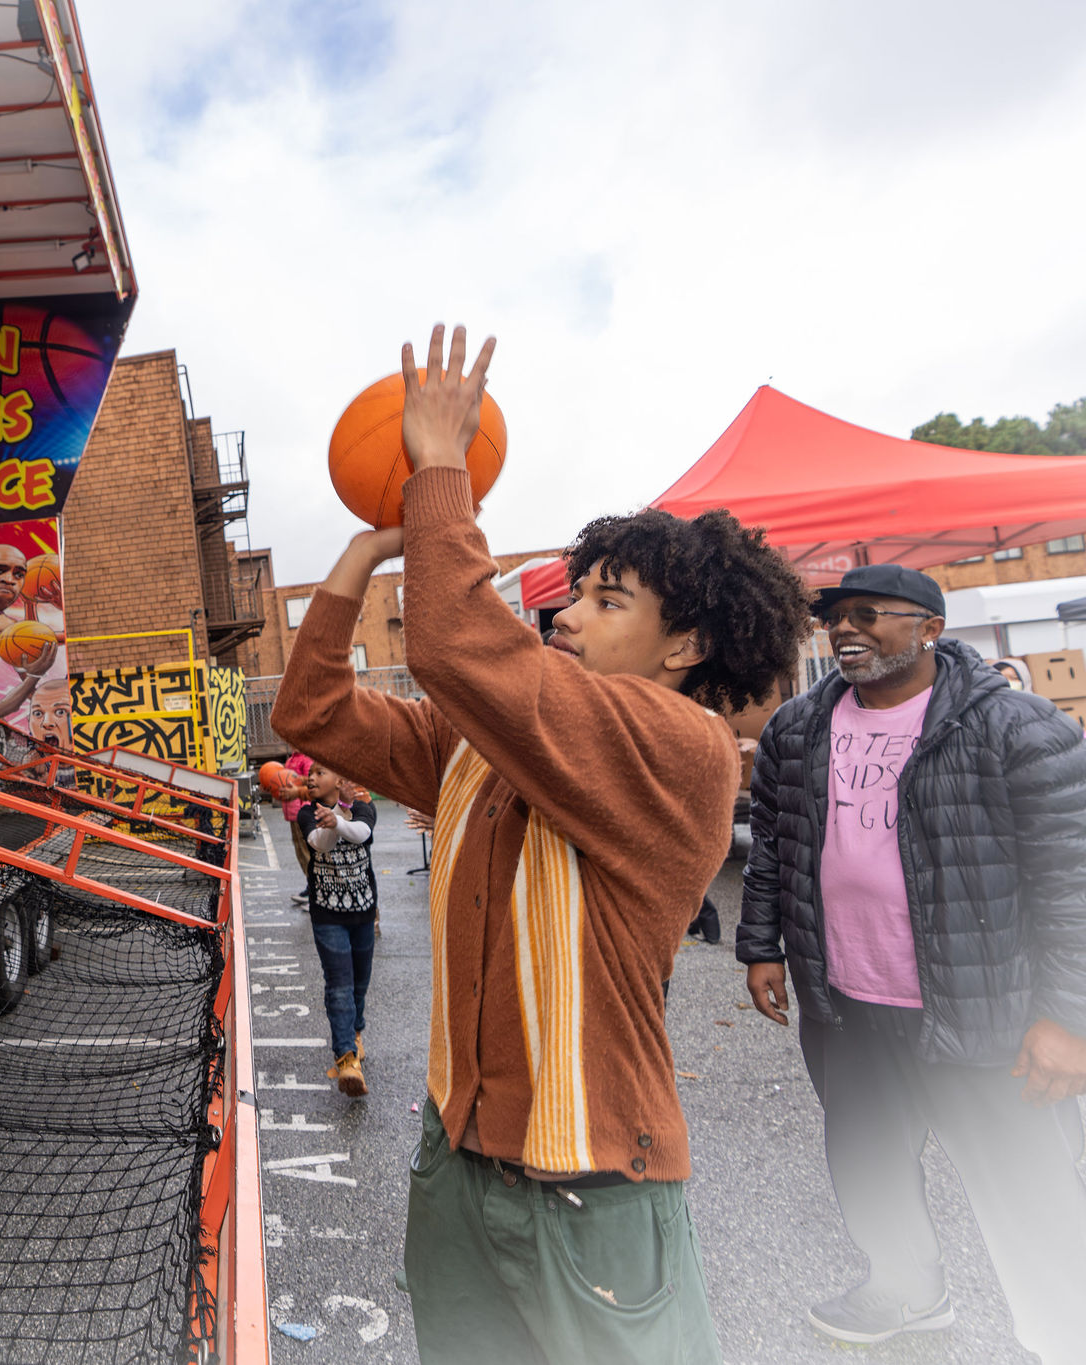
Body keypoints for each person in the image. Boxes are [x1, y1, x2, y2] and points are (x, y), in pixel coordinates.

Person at [272, 325, 812, 1365]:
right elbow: (313, 710)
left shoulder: (682, 747)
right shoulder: (486, 743)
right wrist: (362, 554)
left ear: (686, 646)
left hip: (589, 1185)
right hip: (457, 1163)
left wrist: (440, 467)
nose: (568, 614)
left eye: (609, 602)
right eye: (576, 591)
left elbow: (454, 642)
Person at [737, 563, 1086, 1355]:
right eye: (836, 617)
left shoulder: (1014, 726)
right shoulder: (798, 727)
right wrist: (760, 945)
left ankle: (1067, 1333)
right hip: (847, 1001)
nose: (845, 628)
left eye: (869, 614)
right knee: (868, 1160)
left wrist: (1069, 1017)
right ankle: (906, 1289)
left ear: (930, 627)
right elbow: (775, 849)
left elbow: (1073, 881)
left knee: (1026, 1183)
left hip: (981, 1005)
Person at [297, 761, 378, 1096]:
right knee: (340, 985)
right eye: (310, 774)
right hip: (328, 916)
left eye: (319, 773)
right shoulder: (307, 813)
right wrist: (332, 821)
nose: (311, 778)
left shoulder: (364, 807)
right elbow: (322, 844)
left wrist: (341, 814)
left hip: (363, 913)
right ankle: (346, 1059)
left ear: (339, 779)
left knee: (359, 984)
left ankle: (355, 1033)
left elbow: (362, 833)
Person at [280, 751, 314, 906]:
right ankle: (310, 885)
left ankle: (315, 890)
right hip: (292, 812)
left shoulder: (307, 759)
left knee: (307, 852)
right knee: (300, 851)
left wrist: (298, 783)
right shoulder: (291, 759)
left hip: (303, 811)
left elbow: (312, 783)